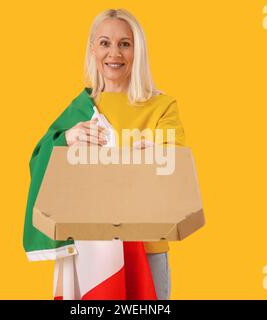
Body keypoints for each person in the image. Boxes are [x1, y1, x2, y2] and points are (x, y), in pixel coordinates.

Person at [23, 8, 184, 300]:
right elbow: (39, 163)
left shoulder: (162, 106)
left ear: (138, 50)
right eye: (105, 43)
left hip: (147, 249)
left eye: (125, 43)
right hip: (88, 251)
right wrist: (66, 140)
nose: (114, 53)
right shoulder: (78, 110)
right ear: (93, 50)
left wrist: (151, 159)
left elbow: (176, 171)